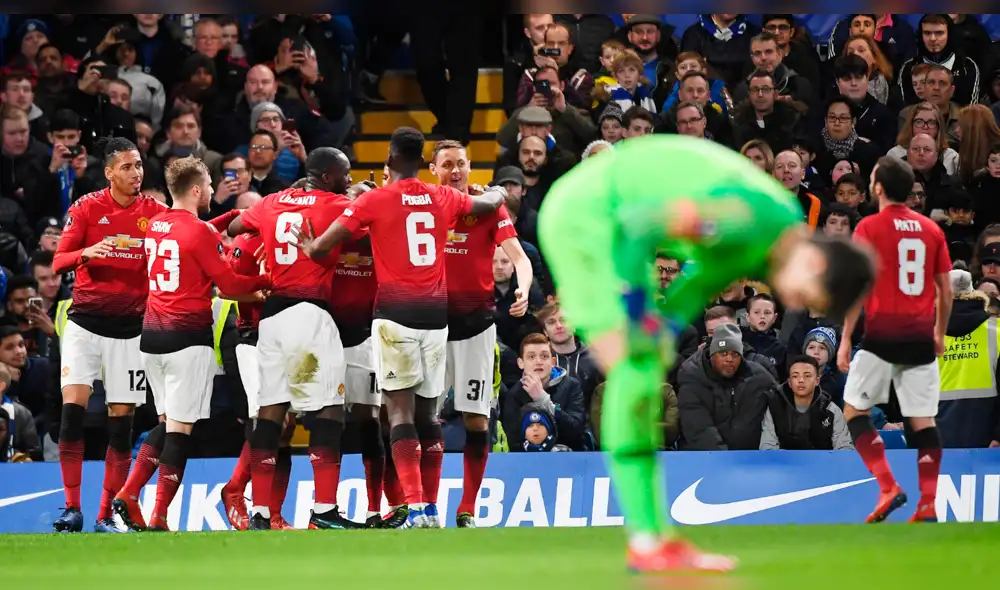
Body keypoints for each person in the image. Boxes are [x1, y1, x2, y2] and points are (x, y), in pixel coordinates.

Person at [537, 134, 875, 573]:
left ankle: (652, 539)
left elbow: (698, 281)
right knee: (632, 364)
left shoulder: (769, 234)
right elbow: (641, 224)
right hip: (588, 218)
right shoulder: (750, 222)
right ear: (814, 264)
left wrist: (667, 324)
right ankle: (646, 539)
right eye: (807, 294)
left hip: (615, 222)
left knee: (641, 360)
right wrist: (639, 312)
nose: (793, 302)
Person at [294, 127, 507, 528]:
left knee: (399, 412)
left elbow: (323, 247)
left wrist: (310, 247)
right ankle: (431, 508)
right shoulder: (442, 196)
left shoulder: (375, 199)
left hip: (394, 318)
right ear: (420, 160)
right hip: (435, 319)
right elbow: (489, 202)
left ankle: (414, 507)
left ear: (389, 160)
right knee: (430, 416)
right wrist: (497, 193)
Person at [111, 157, 270, 532]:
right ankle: (156, 513)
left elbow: (191, 236)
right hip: (187, 340)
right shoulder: (201, 234)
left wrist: (223, 219)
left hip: (151, 338)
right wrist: (266, 280)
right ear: (196, 190)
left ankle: (131, 494)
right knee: (180, 431)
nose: (213, 190)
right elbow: (229, 286)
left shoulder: (156, 226)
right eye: (210, 186)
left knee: (166, 424)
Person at [227, 147, 359, 531]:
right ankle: (324, 510)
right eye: (345, 175)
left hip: (271, 319)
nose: (348, 181)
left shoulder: (269, 203)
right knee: (328, 412)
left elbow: (235, 228)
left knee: (270, 413)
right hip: (309, 314)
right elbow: (369, 228)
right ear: (328, 176)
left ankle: (262, 513)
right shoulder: (334, 204)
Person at [50, 137, 167, 533]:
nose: (136, 174)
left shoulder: (154, 213)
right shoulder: (86, 208)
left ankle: (104, 515)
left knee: (121, 427)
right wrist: (87, 252)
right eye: (127, 167)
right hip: (84, 324)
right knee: (72, 416)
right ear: (109, 173)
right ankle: (71, 508)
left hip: (131, 332)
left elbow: (186, 232)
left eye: (138, 166)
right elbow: (58, 261)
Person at [838, 156, 952, 524]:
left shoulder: (869, 227)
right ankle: (929, 503)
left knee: (854, 411)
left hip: (881, 337)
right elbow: (945, 291)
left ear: (879, 188)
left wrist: (844, 340)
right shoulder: (931, 230)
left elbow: (856, 287)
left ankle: (888, 486)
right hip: (920, 337)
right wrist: (939, 332)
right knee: (923, 422)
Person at [430, 140, 532, 528]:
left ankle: (466, 509)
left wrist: (522, 288)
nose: (455, 171)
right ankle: (425, 505)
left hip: (476, 328)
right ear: (433, 169)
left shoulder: (488, 207)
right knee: (426, 421)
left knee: (477, 420)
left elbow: (519, 257)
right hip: (431, 328)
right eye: (447, 165)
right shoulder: (425, 204)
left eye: (460, 164)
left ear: (470, 166)